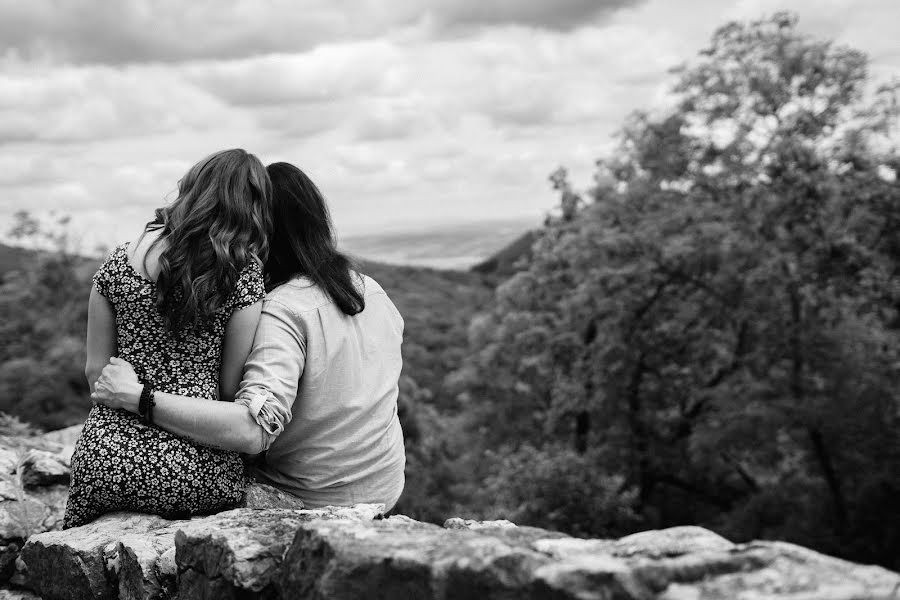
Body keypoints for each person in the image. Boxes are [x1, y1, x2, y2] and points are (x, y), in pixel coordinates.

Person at [93, 161, 407, 511]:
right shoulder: (371, 291)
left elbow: (251, 430)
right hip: (384, 483)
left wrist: (140, 397)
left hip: (310, 497)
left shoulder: (280, 309)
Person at [65, 149, 273, 528]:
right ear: (250, 207)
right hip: (197, 465)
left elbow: (97, 372)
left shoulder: (116, 263)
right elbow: (230, 389)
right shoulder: (241, 275)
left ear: (191, 190)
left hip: (107, 456)